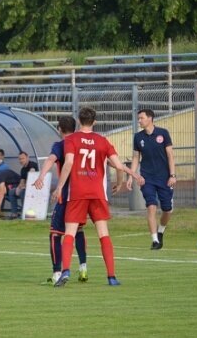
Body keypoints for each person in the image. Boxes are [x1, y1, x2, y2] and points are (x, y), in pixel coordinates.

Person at [52, 107, 143, 287]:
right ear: (94, 122)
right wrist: (119, 183)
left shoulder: (71, 139)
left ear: (79, 121)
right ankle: (111, 276)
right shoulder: (103, 141)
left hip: (77, 193)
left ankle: (66, 271)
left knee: (69, 233)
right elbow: (118, 165)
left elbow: (69, 162)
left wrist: (60, 186)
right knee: (103, 234)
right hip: (97, 193)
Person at [34, 116, 88, 284]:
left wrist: (41, 175)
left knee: (55, 234)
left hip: (66, 195)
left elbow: (51, 159)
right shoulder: (82, 143)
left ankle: (57, 272)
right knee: (77, 231)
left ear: (59, 129)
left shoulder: (61, 145)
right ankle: (83, 268)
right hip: (82, 194)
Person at [128, 108, 176, 250]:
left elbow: (170, 156)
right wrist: (132, 175)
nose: (139, 121)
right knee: (151, 206)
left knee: (167, 210)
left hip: (164, 178)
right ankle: (155, 240)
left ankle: (160, 231)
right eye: (139, 118)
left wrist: (172, 175)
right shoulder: (138, 137)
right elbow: (136, 157)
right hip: (146, 178)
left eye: (141, 118)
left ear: (150, 118)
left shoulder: (163, 133)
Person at [7, 151, 38, 218]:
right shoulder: (23, 169)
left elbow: (32, 177)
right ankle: (14, 213)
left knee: (22, 192)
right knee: (12, 191)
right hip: (26, 187)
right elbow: (22, 181)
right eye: (20, 159)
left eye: (22, 158)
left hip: (35, 187)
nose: (21, 160)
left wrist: (25, 187)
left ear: (27, 158)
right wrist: (18, 188)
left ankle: (25, 213)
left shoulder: (32, 165)